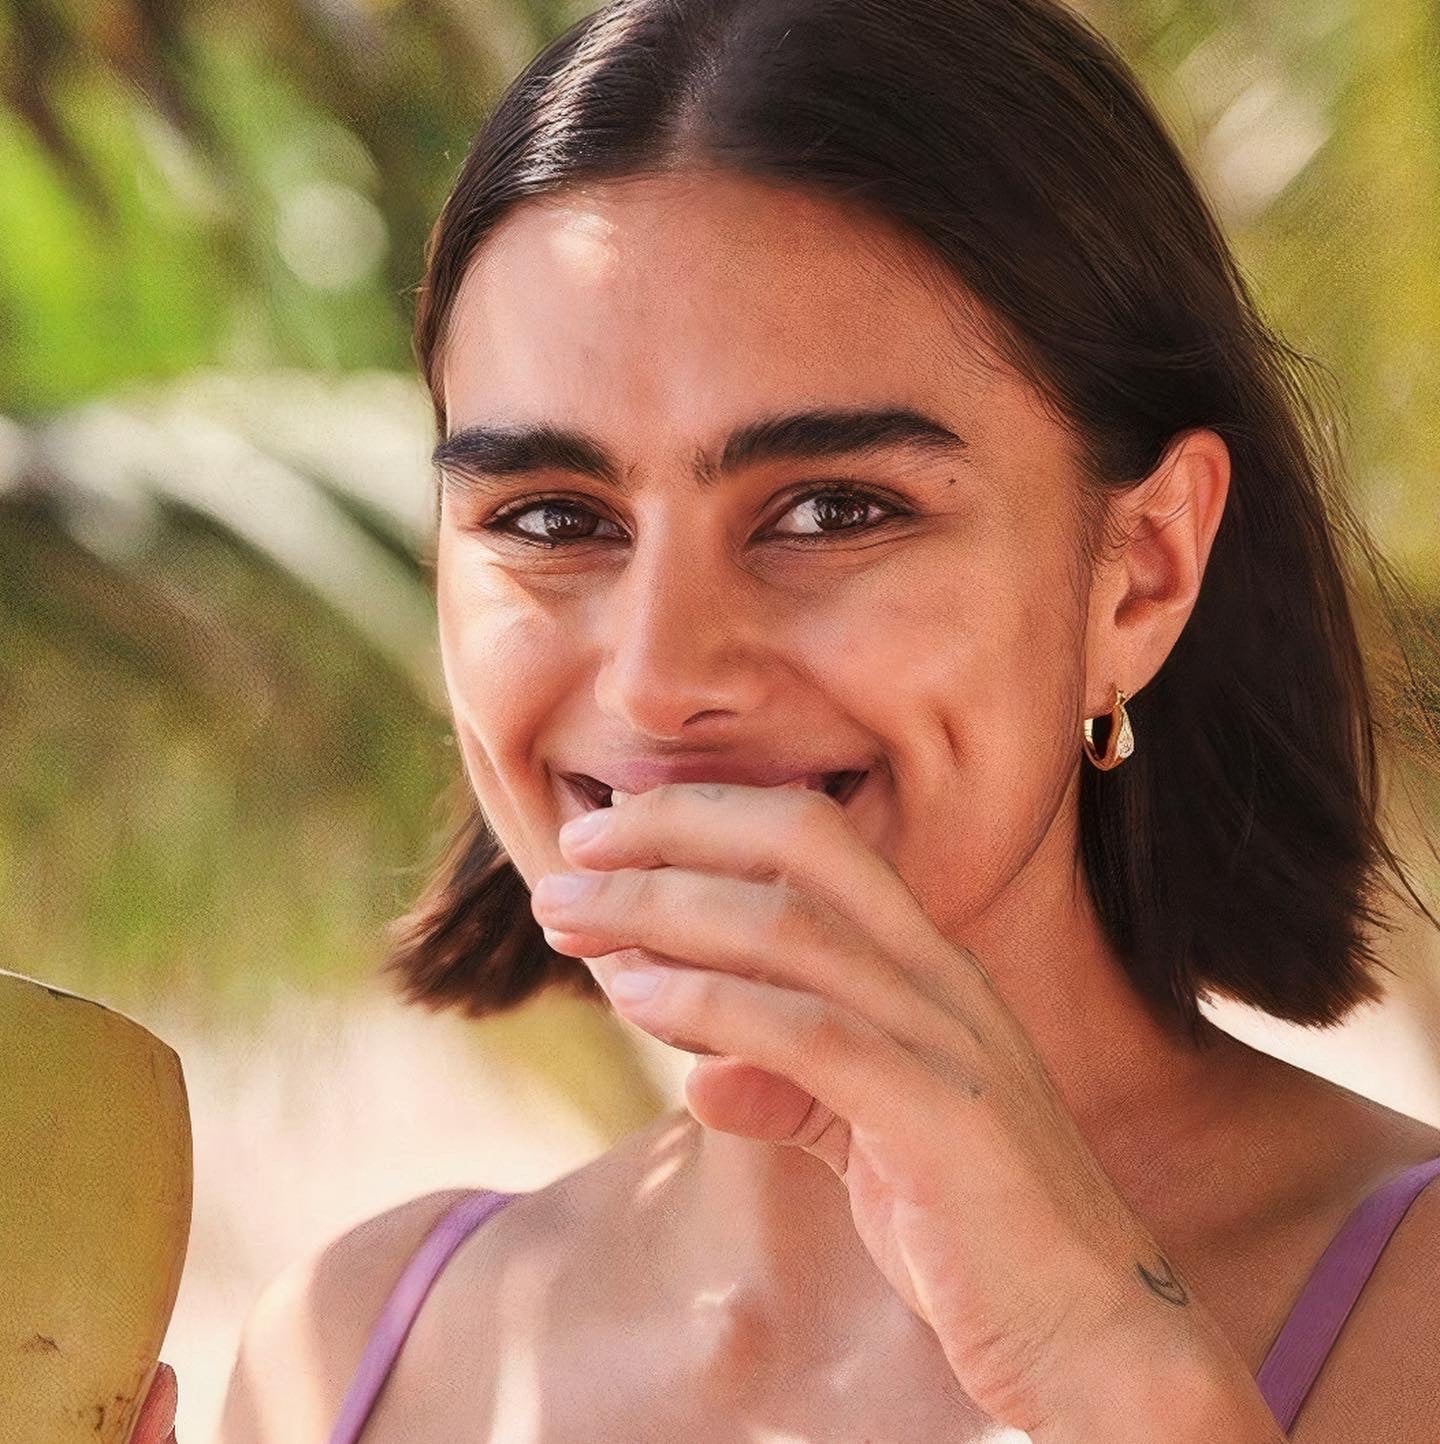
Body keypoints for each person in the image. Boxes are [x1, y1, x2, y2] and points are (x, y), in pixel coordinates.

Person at [149, 0, 1440, 1439]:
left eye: (835, 509)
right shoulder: (353, 1354)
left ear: (1140, 573)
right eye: (552, 516)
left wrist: (1112, 1365)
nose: (655, 680)